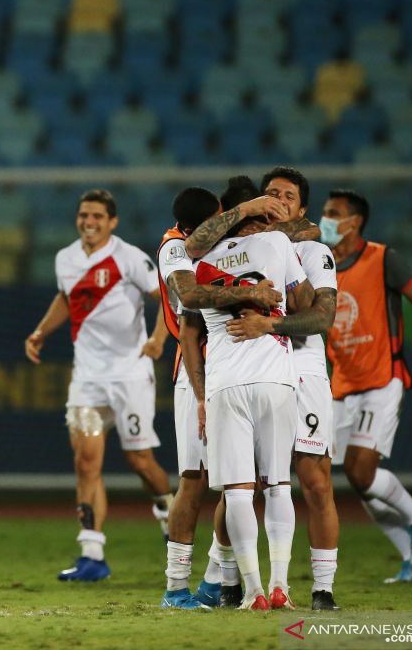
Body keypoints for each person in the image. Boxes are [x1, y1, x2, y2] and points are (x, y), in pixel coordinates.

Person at [181, 175, 316, 611]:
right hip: (276, 377)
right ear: (257, 212)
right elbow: (304, 302)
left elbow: (191, 250)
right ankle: (280, 586)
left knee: (236, 493)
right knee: (278, 485)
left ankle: (253, 593)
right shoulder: (277, 246)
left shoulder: (203, 265)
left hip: (226, 384)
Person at [24, 189, 171, 582]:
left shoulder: (129, 257)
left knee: (140, 461)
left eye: (97, 216)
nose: (89, 222)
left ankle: (167, 511)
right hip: (88, 379)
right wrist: (40, 332)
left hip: (130, 375)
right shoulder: (66, 259)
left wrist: (158, 339)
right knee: (86, 461)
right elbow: (66, 298)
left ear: (112, 222)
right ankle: (92, 555)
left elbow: (166, 298)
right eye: (84, 215)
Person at [155, 186, 283, 610]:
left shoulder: (221, 247)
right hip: (197, 377)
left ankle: (214, 578)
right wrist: (251, 294)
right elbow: (188, 297)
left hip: (234, 367)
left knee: (238, 482)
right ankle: (175, 587)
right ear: (195, 227)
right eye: (218, 219)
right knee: (192, 479)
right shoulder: (176, 247)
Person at [223, 167, 342, 610]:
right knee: (241, 481)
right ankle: (229, 578)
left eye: (287, 196)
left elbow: (322, 319)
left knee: (314, 479)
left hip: (304, 370)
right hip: (253, 369)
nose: (277, 200)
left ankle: (323, 587)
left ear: (302, 208)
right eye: (270, 193)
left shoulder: (313, 250)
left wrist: (269, 323)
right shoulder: (242, 247)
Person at [320, 188, 412, 582]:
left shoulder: (383, 258)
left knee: (362, 470)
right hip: (341, 384)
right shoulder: (319, 267)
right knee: (351, 477)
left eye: (333, 213)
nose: (326, 220)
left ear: (354, 222)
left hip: (382, 379)